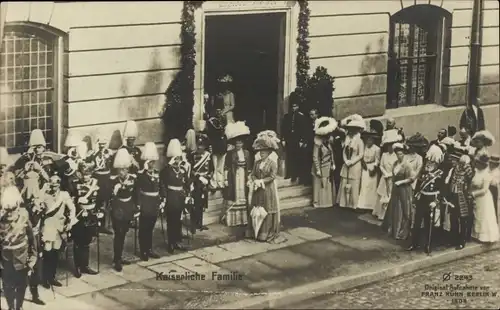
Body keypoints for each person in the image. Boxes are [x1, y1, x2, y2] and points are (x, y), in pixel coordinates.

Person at [0, 185, 38, 310]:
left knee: (21, 285)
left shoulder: (24, 217)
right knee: (7, 286)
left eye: (13, 209)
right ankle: (11, 306)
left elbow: (32, 239)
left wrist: (33, 257)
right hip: (5, 260)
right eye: (7, 209)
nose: (10, 213)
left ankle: (19, 306)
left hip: (22, 259)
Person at [40, 174, 77, 288]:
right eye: (52, 182)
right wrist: (43, 190)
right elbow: (37, 202)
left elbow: (72, 208)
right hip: (48, 225)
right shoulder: (45, 194)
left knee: (55, 252)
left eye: (56, 182)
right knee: (47, 251)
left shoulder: (64, 195)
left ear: (59, 183)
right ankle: (45, 278)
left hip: (59, 226)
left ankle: (52, 277)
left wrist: (70, 221)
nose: (54, 184)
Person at [248, 131, 283, 243]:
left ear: (268, 152)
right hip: (258, 189)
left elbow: (272, 176)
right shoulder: (257, 163)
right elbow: (253, 174)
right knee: (257, 208)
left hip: (268, 189)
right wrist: (255, 181)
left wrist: (262, 181)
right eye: (261, 151)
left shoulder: (272, 163)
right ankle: (256, 231)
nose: (262, 153)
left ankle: (266, 232)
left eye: (264, 151)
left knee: (267, 209)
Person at [110, 148, 139, 271]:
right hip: (118, 209)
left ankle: (119, 256)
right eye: (121, 169)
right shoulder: (113, 181)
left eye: (125, 169)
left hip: (128, 208)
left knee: (124, 233)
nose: (123, 172)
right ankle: (117, 259)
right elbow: (110, 197)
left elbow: (136, 194)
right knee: (119, 234)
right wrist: (115, 190)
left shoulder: (132, 179)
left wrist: (137, 208)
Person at [160, 139, 191, 253]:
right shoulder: (167, 170)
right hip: (171, 197)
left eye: (178, 158)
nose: (177, 161)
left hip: (180, 197)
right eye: (175, 158)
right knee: (171, 221)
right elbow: (163, 179)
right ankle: (171, 243)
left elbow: (186, 182)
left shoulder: (182, 169)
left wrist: (187, 194)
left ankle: (177, 241)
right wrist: (169, 164)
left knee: (178, 220)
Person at [71, 161, 100, 277]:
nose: (86, 176)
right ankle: (77, 266)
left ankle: (85, 265)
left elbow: (98, 200)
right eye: (84, 174)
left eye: (88, 173)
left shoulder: (95, 185)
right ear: (80, 174)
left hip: (91, 215)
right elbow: (72, 202)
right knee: (78, 241)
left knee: (87, 241)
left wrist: (99, 212)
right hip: (80, 215)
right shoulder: (75, 185)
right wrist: (78, 209)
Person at [382, 143, 415, 240]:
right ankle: (393, 230)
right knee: (394, 208)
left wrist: (401, 182)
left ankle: (403, 232)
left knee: (404, 209)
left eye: (400, 154)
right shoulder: (395, 163)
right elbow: (393, 176)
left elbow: (411, 178)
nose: (399, 156)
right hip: (396, 189)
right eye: (397, 154)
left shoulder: (407, 165)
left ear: (404, 154)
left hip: (404, 189)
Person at [136, 142, 162, 261]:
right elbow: (138, 186)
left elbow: (161, 186)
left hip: (154, 203)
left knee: (151, 227)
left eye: (153, 161)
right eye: (150, 162)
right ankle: (143, 250)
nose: (152, 164)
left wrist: (163, 198)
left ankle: (149, 248)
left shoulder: (156, 172)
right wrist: (145, 171)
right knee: (144, 228)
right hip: (145, 203)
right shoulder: (141, 174)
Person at [223, 122, 251, 228]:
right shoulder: (230, 153)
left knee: (243, 194)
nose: (239, 145)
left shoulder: (247, 153)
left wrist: (248, 178)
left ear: (243, 144)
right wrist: (225, 179)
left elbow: (249, 167)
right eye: (237, 143)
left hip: (243, 175)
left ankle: (242, 220)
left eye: (240, 143)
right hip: (233, 176)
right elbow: (226, 167)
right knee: (233, 195)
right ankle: (233, 220)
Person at [445, 152, 474, 250]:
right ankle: (454, 239)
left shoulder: (467, 168)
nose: (452, 161)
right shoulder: (454, 169)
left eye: (454, 160)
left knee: (463, 219)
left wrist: (465, 164)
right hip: (454, 195)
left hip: (463, 196)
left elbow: (471, 179)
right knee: (453, 218)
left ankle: (462, 240)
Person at [337, 116, 365, 209]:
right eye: (350, 129)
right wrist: (346, 160)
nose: (351, 132)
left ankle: (353, 204)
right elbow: (344, 151)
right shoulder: (347, 140)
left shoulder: (359, 141)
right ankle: (344, 203)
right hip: (347, 164)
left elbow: (360, 154)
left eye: (353, 130)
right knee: (345, 182)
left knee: (354, 184)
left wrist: (352, 162)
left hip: (355, 165)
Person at [373, 129, 402, 220]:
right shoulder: (384, 155)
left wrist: (390, 174)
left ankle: (389, 215)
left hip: (392, 178)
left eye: (391, 146)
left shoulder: (396, 156)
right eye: (388, 146)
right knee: (382, 194)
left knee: (390, 195)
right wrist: (385, 173)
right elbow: (381, 165)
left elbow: (398, 167)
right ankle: (380, 214)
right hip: (384, 177)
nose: (390, 148)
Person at [88, 135, 114, 235]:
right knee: (96, 202)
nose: (102, 145)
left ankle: (103, 226)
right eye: (100, 144)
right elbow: (90, 166)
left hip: (106, 179)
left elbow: (112, 165)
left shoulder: (109, 153)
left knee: (105, 203)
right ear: (98, 144)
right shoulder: (93, 154)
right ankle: (94, 226)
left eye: (104, 143)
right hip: (97, 179)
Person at [471, 154, 499, 243]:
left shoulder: (487, 175)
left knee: (483, 216)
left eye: (479, 163)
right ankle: (476, 235)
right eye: (477, 163)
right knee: (477, 215)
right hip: (476, 198)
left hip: (484, 198)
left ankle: (484, 237)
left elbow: (484, 190)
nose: (477, 165)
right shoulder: (476, 172)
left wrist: (473, 194)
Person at [187, 134, 213, 232]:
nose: (200, 147)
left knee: (202, 204)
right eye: (199, 145)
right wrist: (198, 177)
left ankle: (200, 224)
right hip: (196, 182)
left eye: (202, 145)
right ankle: (193, 225)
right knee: (194, 204)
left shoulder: (208, 156)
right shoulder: (192, 155)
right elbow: (190, 170)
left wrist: (207, 179)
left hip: (204, 182)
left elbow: (211, 169)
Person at [311, 117, 337, 208]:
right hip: (321, 165)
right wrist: (317, 169)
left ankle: (328, 201)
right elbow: (315, 156)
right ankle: (319, 202)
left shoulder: (328, 141)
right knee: (320, 183)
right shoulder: (317, 143)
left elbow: (331, 152)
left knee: (328, 183)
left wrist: (333, 163)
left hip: (328, 165)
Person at [357, 120, 383, 211]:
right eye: (367, 140)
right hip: (365, 167)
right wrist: (363, 163)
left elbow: (377, 160)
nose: (369, 141)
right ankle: (362, 205)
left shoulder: (377, 149)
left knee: (371, 187)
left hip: (372, 167)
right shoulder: (364, 147)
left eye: (370, 140)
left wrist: (374, 168)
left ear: (373, 140)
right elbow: (361, 156)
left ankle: (371, 206)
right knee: (364, 186)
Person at [281, 92, 306, 183]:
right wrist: (283, 139)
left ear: (298, 106)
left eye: (295, 106)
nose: (294, 108)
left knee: (296, 157)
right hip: (289, 139)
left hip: (297, 140)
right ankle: (289, 173)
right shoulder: (287, 116)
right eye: (293, 106)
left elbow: (303, 130)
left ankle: (295, 175)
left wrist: (302, 140)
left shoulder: (301, 117)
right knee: (289, 157)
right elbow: (283, 128)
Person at [206, 100, 228, 190]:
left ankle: (220, 182)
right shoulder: (212, 121)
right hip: (215, 144)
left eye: (220, 110)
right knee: (215, 166)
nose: (219, 112)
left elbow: (224, 131)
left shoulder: (224, 118)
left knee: (221, 166)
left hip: (222, 145)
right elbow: (211, 133)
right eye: (217, 110)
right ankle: (214, 182)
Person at [301, 108, 320, 186]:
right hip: (309, 145)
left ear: (317, 114)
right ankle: (308, 181)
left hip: (318, 145)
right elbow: (306, 133)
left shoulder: (320, 123)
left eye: (313, 114)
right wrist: (305, 142)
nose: (311, 116)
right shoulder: (308, 123)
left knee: (316, 161)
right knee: (308, 161)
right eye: (310, 114)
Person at [489, 154, 499, 221]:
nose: (490, 165)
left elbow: (494, 182)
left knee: (492, 208)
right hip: (488, 189)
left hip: (492, 190)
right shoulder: (489, 171)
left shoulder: (497, 172)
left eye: (492, 163)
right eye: (490, 163)